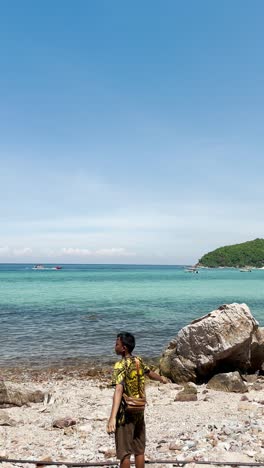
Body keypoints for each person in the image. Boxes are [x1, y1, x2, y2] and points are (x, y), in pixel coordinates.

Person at [107, 332, 169, 468]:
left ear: (124, 348)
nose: (114, 346)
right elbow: (150, 373)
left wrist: (112, 417)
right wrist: (162, 378)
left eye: (117, 344)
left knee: (124, 453)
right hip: (139, 409)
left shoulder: (120, 365)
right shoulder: (138, 361)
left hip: (125, 413)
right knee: (139, 450)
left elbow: (118, 390)